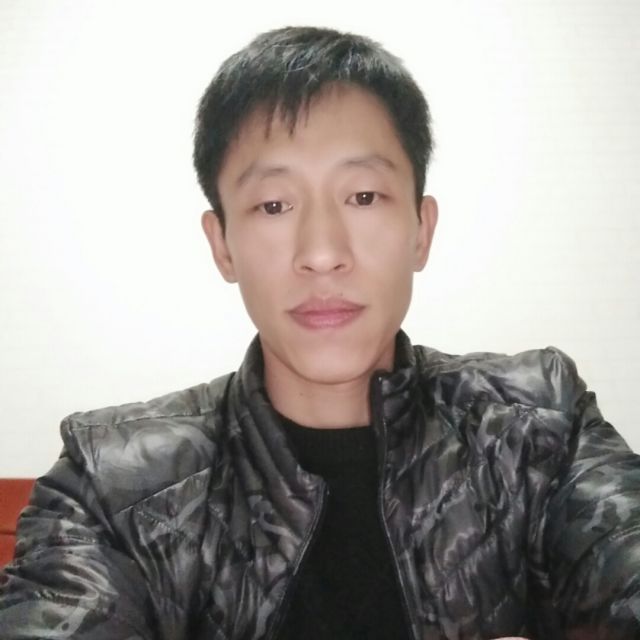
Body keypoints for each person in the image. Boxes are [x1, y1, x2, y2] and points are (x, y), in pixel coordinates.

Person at [0, 25, 638, 640]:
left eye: (363, 196)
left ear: (421, 230)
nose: (323, 253)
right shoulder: (111, 483)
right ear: (223, 245)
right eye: (274, 205)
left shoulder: (541, 428)